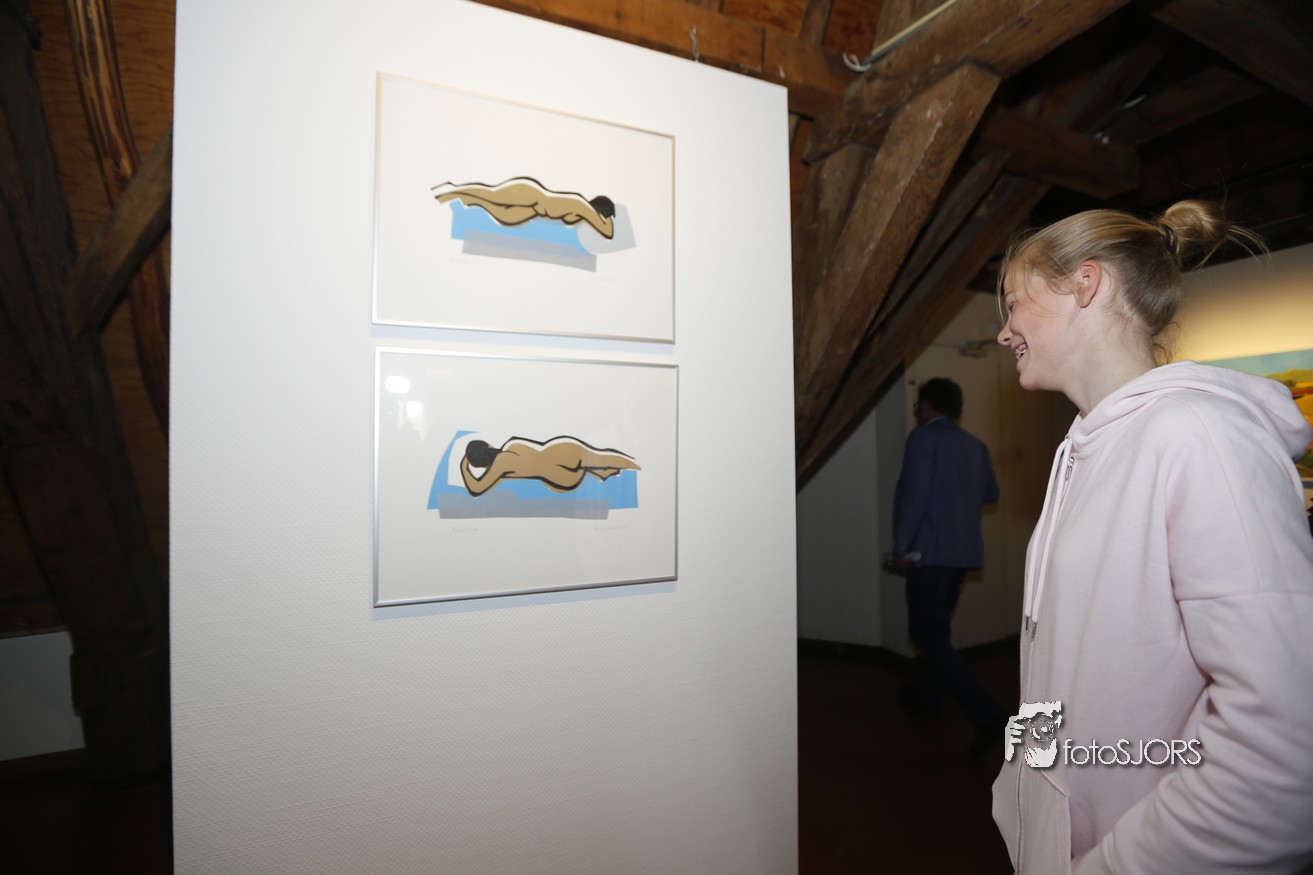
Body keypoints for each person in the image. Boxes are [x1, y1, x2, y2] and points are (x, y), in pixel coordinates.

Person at [992, 199, 1313, 874]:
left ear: (1085, 283)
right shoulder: (1086, 454)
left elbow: (1283, 755)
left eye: (1014, 303)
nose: (1003, 331)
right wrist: (1028, 804)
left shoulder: (1200, 437)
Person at [892, 377, 1006, 757]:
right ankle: (926, 694)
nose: (916, 414)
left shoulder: (923, 438)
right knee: (937, 630)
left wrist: (901, 547)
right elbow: (990, 493)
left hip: (929, 554)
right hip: (963, 554)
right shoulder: (975, 445)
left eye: (917, 407)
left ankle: (988, 715)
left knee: (926, 635)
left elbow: (914, 496)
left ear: (927, 407)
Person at [432, 177, 616, 239]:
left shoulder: (582, 211)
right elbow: (607, 231)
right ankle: (453, 189)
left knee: (495, 210)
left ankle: (457, 195)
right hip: (533, 195)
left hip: (534, 211)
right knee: (492, 195)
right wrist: (609, 215)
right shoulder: (583, 206)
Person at [459, 435, 639, 496]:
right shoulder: (512, 444)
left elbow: (476, 488)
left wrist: (463, 466)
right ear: (489, 445)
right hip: (560, 449)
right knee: (602, 458)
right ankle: (635, 465)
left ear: (482, 465)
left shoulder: (500, 466)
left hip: (560, 477)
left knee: (591, 467)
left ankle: (601, 472)